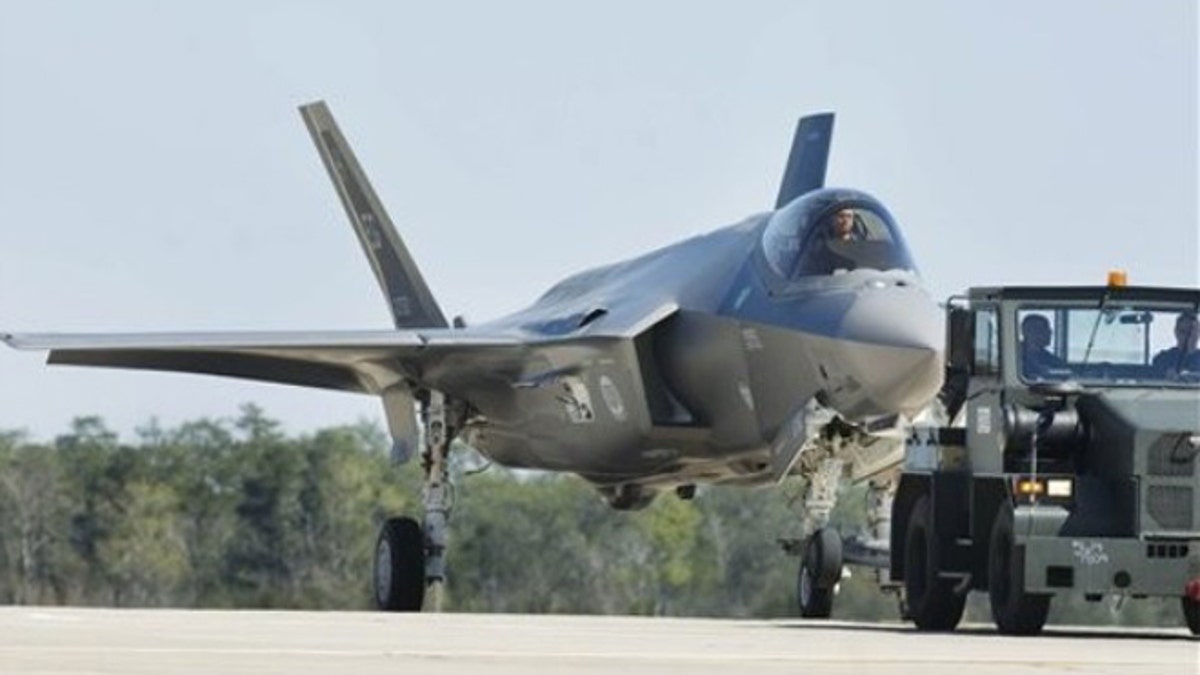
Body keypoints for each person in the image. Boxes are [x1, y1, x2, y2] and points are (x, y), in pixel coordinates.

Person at [1152, 312, 1200, 377]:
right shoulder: (1162, 359)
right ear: (1176, 332)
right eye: (1183, 331)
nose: (1187, 336)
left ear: (1198, 333)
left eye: (1191, 331)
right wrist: (1166, 374)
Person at [1021, 314, 1067, 379]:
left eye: (1049, 330)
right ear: (1026, 332)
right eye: (1040, 330)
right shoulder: (1012, 356)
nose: (1049, 333)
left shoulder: (1053, 360)